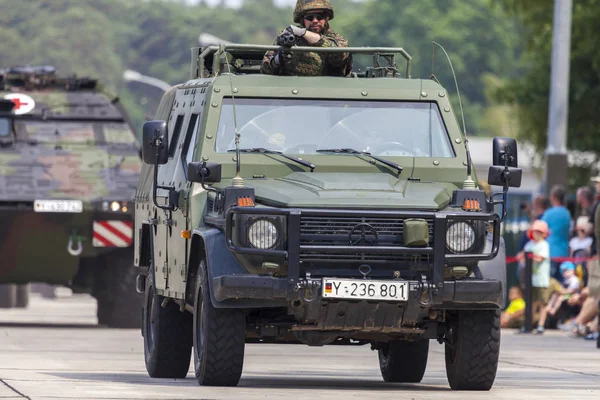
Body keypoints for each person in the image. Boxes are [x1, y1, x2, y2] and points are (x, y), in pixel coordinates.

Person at [261, 0, 351, 77]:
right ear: (302, 19)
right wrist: (279, 59)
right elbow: (265, 70)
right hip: (291, 91)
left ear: (326, 19)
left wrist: (303, 33)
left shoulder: (338, 40)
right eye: (310, 17)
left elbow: (340, 56)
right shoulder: (288, 37)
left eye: (320, 17)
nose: (315, 21)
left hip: (327, 92)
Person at [517, 219, 551, 332]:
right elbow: (521, 256)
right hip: (530, 279)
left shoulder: (544, 245)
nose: (536, 234)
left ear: (544, 233)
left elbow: (539, 258)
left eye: (539, 232)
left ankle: (541, 326)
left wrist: (529, 258)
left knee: (542, 303)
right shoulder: (529, 244)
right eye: (535, 231)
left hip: (541, 280)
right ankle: (528, 325)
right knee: (531, 303)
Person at [535, 261, 580, 334]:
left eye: (566, 271)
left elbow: (572, 290)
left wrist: (562, 292)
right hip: (565, 294)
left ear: (572, 270)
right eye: (563, 271)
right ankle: (550, 306)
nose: (565, 273)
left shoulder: (574, 279)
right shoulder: (564, 280)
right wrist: (561, 292)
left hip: (572, 295)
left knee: (560, 297)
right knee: (555, 294)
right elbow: (561, 290)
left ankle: (553, 309)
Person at [542, 185, 572, 281]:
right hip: (564, 253)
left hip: (551, 253)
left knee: (550, 284)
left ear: (553, 197)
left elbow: (541, 229)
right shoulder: (567, 213)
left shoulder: (549, 213)